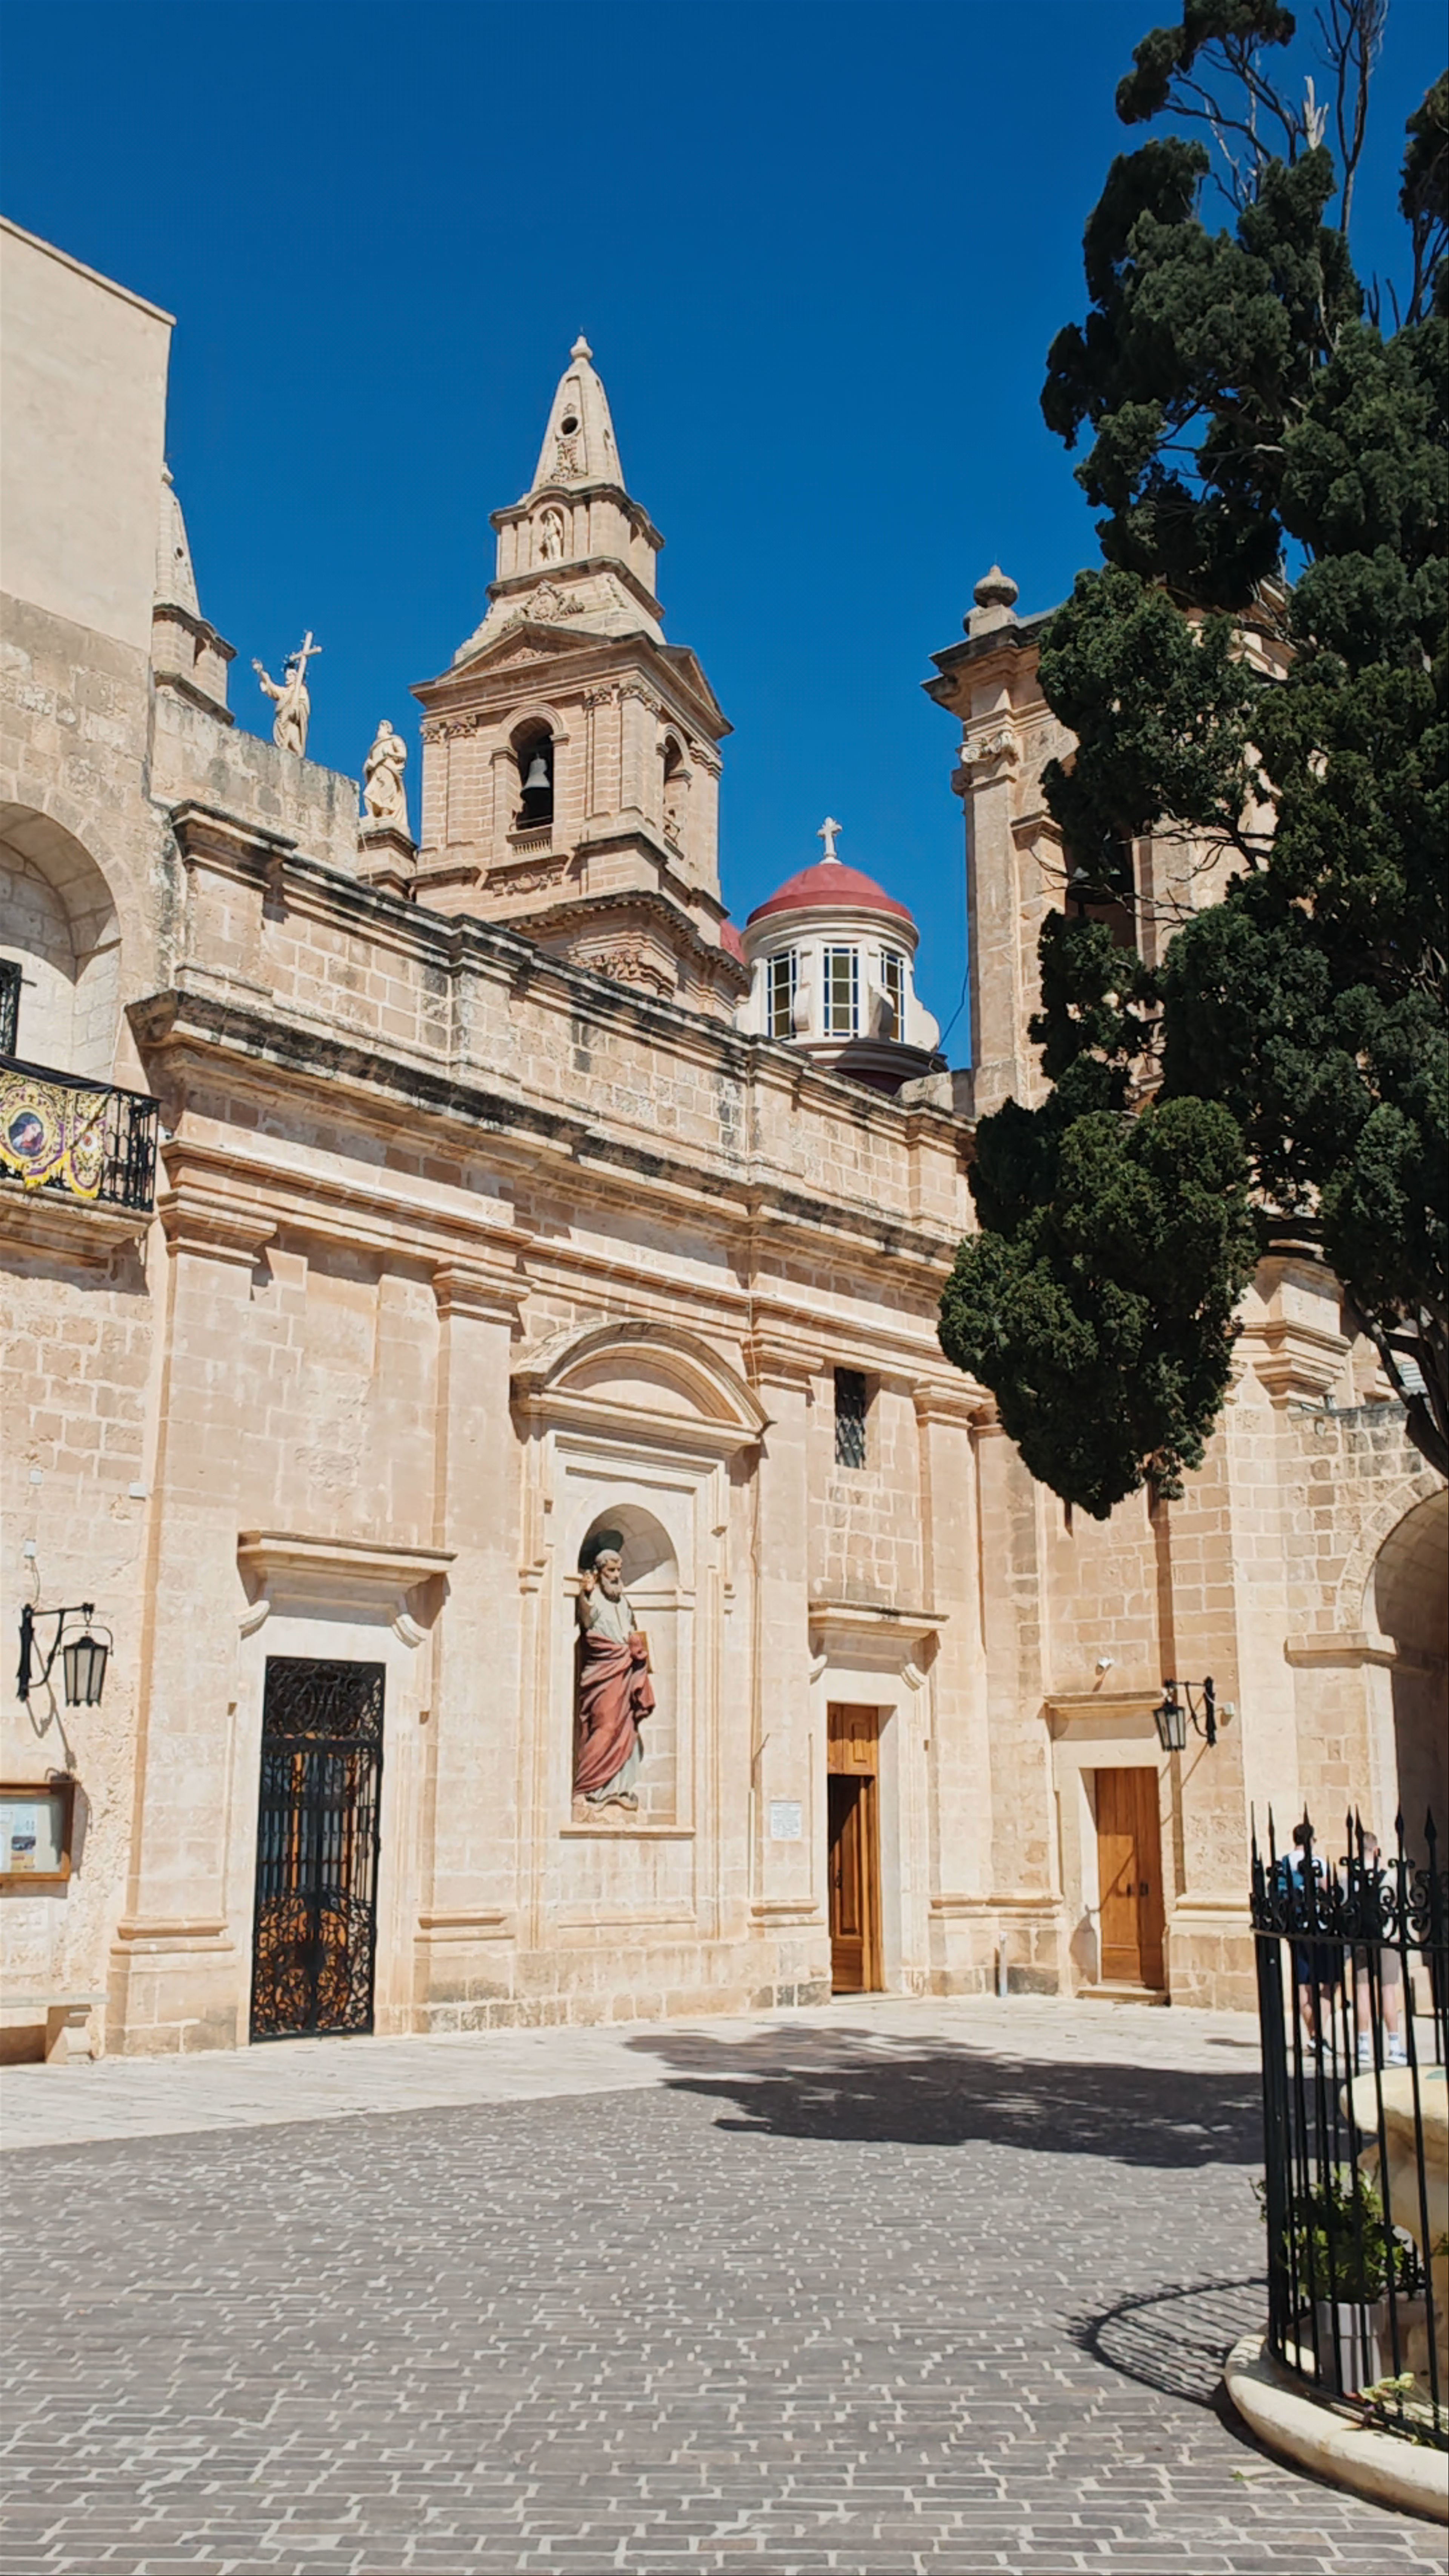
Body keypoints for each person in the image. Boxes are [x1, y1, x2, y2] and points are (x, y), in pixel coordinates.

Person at [573, 1538, 654, 1816]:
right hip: (603, 1675)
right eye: (611, 1571)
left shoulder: (624, 1602)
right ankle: (590, 1788)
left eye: (619, 1570)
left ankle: (618, 1789)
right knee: (605, 1726)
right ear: (599, 1572)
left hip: (625, 1672)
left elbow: (631, 1630)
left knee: (626, 1730)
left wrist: (636, 1646)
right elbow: (586, 1623)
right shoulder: (593, 1597)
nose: (617, 1576)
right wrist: (585, 1595)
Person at [1352, 1829, 1409, 2069]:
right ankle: (1394, 2046)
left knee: (1363, 1990)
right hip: (1386, 1936)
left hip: (1361, 1937)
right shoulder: (1389, 1875)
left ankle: (1363, 2045)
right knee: (1388, 1990)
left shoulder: (1349, 1875)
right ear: (1376, 1850)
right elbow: (1400, 1904)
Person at [1286, 1821, 1339, 2057]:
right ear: (1311, 1840)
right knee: (1328, 1981)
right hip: (1317, 1928)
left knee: (1302, 1983)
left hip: (1295, 1927)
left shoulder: (1284, 1862)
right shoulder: (1317, 1863)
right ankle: (1318, 2036)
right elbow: (1328, 1892)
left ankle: (1314, 2037)